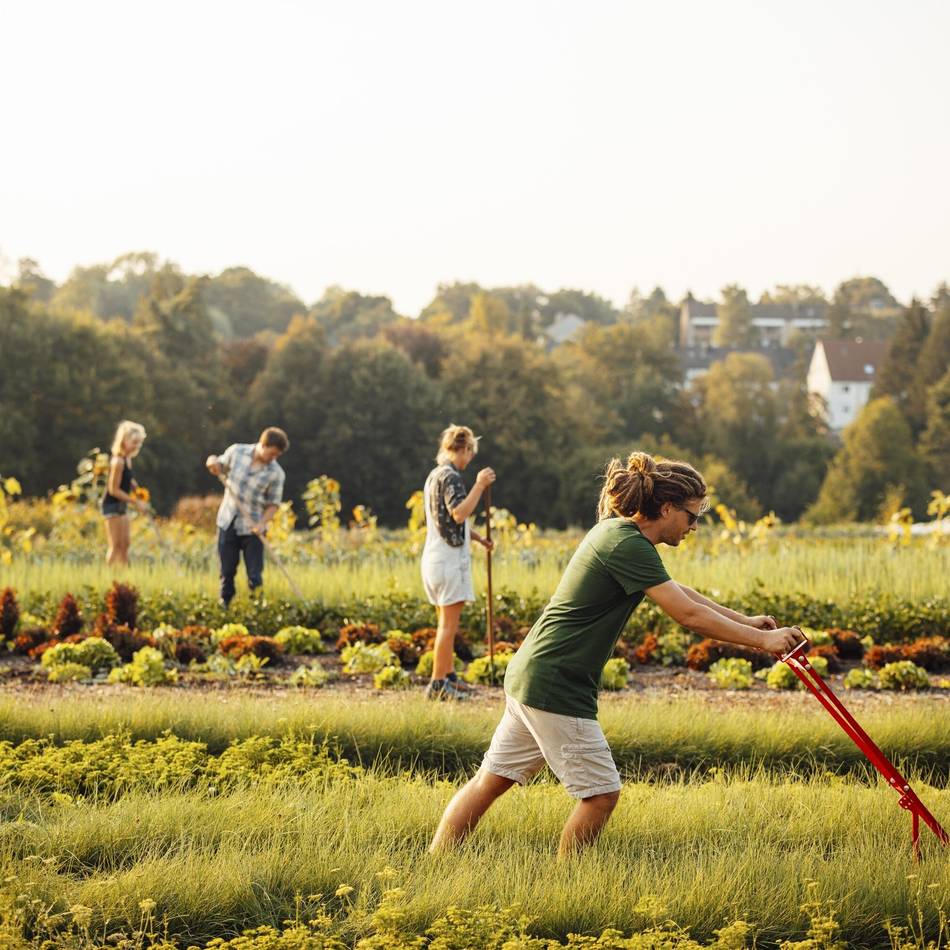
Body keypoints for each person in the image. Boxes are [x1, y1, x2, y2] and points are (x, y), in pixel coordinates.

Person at [429, 451, 803, 856]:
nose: (694, 526)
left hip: (532, 674)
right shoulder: (627, 545)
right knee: (601, 795)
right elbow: (687, 614)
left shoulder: (619, 534)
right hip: (555, 684)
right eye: (692, 516)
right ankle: (567, 889)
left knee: (491, 780)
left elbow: (682, 594)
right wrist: (764, 641)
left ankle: (437, 861)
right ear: (665, 508)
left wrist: (746, 622)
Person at [421, 424, 495, 700]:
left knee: (445, 622)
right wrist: (479, 484)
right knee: (447, 625)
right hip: (448, 562)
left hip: (434, 558)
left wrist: (477, 539)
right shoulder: (451, 477)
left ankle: (449, 675)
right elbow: (458, 514)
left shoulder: (433, 476)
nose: (469, 460)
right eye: (469, 453)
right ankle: (438, 684)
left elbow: (445, 520)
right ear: (462, 449)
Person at [206, 427, 289, 607]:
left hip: (253, 528)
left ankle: (256, 608)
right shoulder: (237, 452)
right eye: (272, 453)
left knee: (254, 574)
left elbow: (273, 504)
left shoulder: (276, 473)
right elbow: (217, 464)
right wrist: (212, 462)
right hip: (228, 520)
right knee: (227, 570)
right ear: (263, 445)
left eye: (277, 456)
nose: (273, 458)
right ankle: (224, 605)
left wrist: (262, 523)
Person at [101, 420, 149, 566]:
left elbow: (128, 479)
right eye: (134, 442)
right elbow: (113, 489)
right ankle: (108, 576)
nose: (137, 446)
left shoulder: (127, 459)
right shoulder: (118, 462)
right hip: (112, 505)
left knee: (125, 544)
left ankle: (124, 578)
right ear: (124, 440)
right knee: (115, 545)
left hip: (122, 504)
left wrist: (137, 490)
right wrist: (135, 502)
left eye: (139, 442)